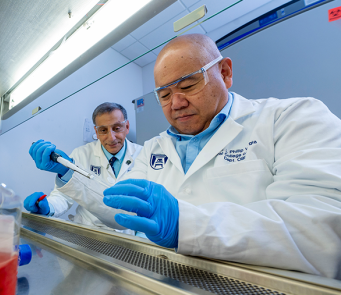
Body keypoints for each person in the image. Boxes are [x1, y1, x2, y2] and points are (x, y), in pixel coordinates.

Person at [32, 34, 341, 279]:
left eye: (189, 85)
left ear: (225, 72)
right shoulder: (154, 149)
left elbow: (321, 229)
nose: (176, 103)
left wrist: (186, 225)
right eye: (164, 95)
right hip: (162, 282)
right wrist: (69, 177)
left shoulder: (294, 118)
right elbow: (119, 209)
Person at [26, 103, 143, 233]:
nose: (111, 137)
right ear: (96, 132)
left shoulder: (144, 156)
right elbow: (63, 197)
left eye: (117, 128)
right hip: (89, 233)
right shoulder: (81, 154)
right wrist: (49, 207)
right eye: (103, 130)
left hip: (130, 236)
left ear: (126, 127)